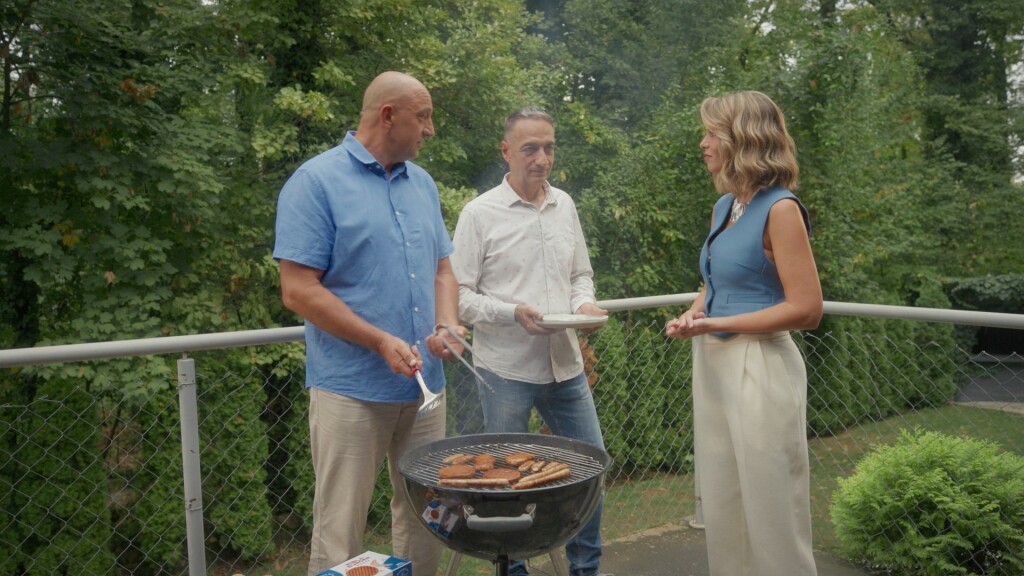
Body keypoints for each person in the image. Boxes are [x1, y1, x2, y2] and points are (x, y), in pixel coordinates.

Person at [273, 71, 466, 576]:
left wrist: (446, 323)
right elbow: (297, 289)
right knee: (341, 529)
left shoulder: (422, 184)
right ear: (387, 116)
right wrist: (379, 340)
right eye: (423, 117)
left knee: (430, 518)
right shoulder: (315, 182)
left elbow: (443, 270)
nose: (430, 129)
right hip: (350, 389)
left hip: (426, 390)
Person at [665, 90, 822, 576]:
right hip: (713, 363)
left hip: (761, 367)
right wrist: (694, 314)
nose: (703, 143)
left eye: (712, 133)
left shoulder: (781, 209)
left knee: (772, 506)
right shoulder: (724, 207)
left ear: (743, 139)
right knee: (724, 499)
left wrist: (718, 323)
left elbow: (807, 309)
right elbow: (716, 282)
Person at [451, 107, 610, 576]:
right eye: (530, 149)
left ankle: (586, 570)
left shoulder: (565, 205)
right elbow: (458, 296)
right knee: (507, 484)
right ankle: (514, 571)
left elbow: (580, 275)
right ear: (506, 151)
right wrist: (512, 313)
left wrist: (584, 306)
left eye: (549, 147)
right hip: (506, 371)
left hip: (565, 365)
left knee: (590, 474)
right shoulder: (479, 213)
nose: (542, 158)